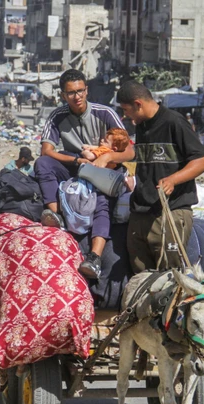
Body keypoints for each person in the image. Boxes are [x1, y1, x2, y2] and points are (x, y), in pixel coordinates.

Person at [35, 69, 135, 279]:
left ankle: (95, 257)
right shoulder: (57, 116)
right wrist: (77, 160)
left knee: (101, 201)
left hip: (104, 169)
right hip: (76, 163)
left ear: (87, 90)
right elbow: (47, 151)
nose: (77, 96)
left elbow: (129, 151)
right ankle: (56, 216)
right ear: (63, 95)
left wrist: (106, 158)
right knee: (43, 164)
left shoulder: (105, 113)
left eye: (80, 91)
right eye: (71, 93)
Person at [116, 80, 204, 273]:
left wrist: (173, 180)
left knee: (169, 279)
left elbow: (202, 160)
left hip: (170, 212)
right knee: (141, 279)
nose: (125, 116)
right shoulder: (142, 126)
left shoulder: (173, 122)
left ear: (138, 104)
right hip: (141, 213)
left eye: (126, 110)